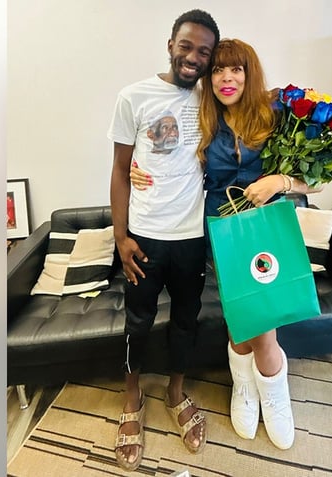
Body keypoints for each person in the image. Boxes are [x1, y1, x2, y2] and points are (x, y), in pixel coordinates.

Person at [131, 38, 321, 450]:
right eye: (218, 69)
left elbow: (320, 178)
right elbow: (163, 154)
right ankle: (244, 388)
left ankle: (274, 397)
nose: (226, 77)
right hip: (220, 231)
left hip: (263, 233)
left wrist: (281, 181)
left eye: (236, 69)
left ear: (249, 73)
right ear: (208, 77)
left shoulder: (276, 114)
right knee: (239, 316)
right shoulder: (203, 117)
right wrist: (136, 169)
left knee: (264, 325)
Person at [107, 9, 220, 471]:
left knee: (187, 321)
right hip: (145, 238)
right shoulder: (133, 97)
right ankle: (132, 399)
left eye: (204, 52)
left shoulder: (214, 100)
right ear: (170, 43)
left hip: (192, 237)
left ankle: (175, 392)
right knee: (138, 321)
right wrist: (120, 236)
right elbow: (119, 170)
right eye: (187, 45)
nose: (193, 57)